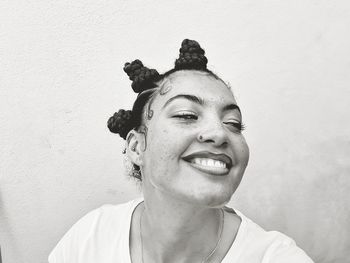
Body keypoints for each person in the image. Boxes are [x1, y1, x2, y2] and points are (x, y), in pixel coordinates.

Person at [48, 39, 314, 263]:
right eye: (187, 115)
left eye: (233, 123)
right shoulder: (88, 240)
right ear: (137, 146)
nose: (220, 133)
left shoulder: (276, 257)